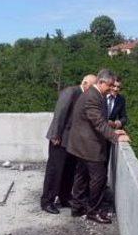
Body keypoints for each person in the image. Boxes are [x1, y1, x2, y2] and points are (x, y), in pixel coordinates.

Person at [67, 69, 130, 224]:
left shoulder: (94, 95)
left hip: (81, 144)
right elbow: (98, 123)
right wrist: (117, 137)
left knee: (81, 176)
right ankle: (92, 211)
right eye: (109, 85)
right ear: (101, 82)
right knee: (99, 178)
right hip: (89, 145)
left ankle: (77, 207)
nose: (111, 88)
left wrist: (114, 127)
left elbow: (98, 119)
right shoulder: (93, 97)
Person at [40, 74, 97, 214]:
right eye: (92, 85)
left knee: (68, 171)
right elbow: (59, 114)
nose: (94, 89)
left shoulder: (85, 95)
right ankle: (47, 201)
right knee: (55, 171)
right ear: (85, 83)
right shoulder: (71, 92)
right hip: (60, 139)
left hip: (72, 142)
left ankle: (64, 197)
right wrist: (55, 135)